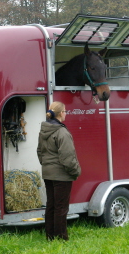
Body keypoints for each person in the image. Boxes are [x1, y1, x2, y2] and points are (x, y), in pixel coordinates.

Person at [37, 101, 81, 241]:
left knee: (51, 206)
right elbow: (67, 157)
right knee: (61, 208)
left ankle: (50, 236)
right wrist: (76, 171)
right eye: (65, 111)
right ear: (61, 113)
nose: (66, 113)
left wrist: (47, 166)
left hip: (48, 174)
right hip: (61, 176)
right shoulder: (62, 132)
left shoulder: (44, 130)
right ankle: (61, 238)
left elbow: (39, 152)